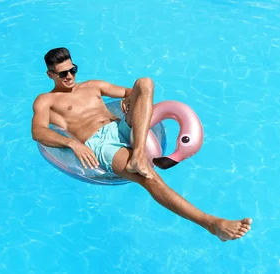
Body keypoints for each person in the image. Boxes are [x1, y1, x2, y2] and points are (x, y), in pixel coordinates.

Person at [31, 47, 252, 241]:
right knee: (151, 179)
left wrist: (128, 99)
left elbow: (131, 91)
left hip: (120, 127)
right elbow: (38, 132)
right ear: (50, 74)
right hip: (100, 143)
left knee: (145, 82)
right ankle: (212, 224)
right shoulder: (46, 100)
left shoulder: (93, 86)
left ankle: (137, 155)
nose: (70, 76)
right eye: (63, 73)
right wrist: (73, 144)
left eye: (73, 70)